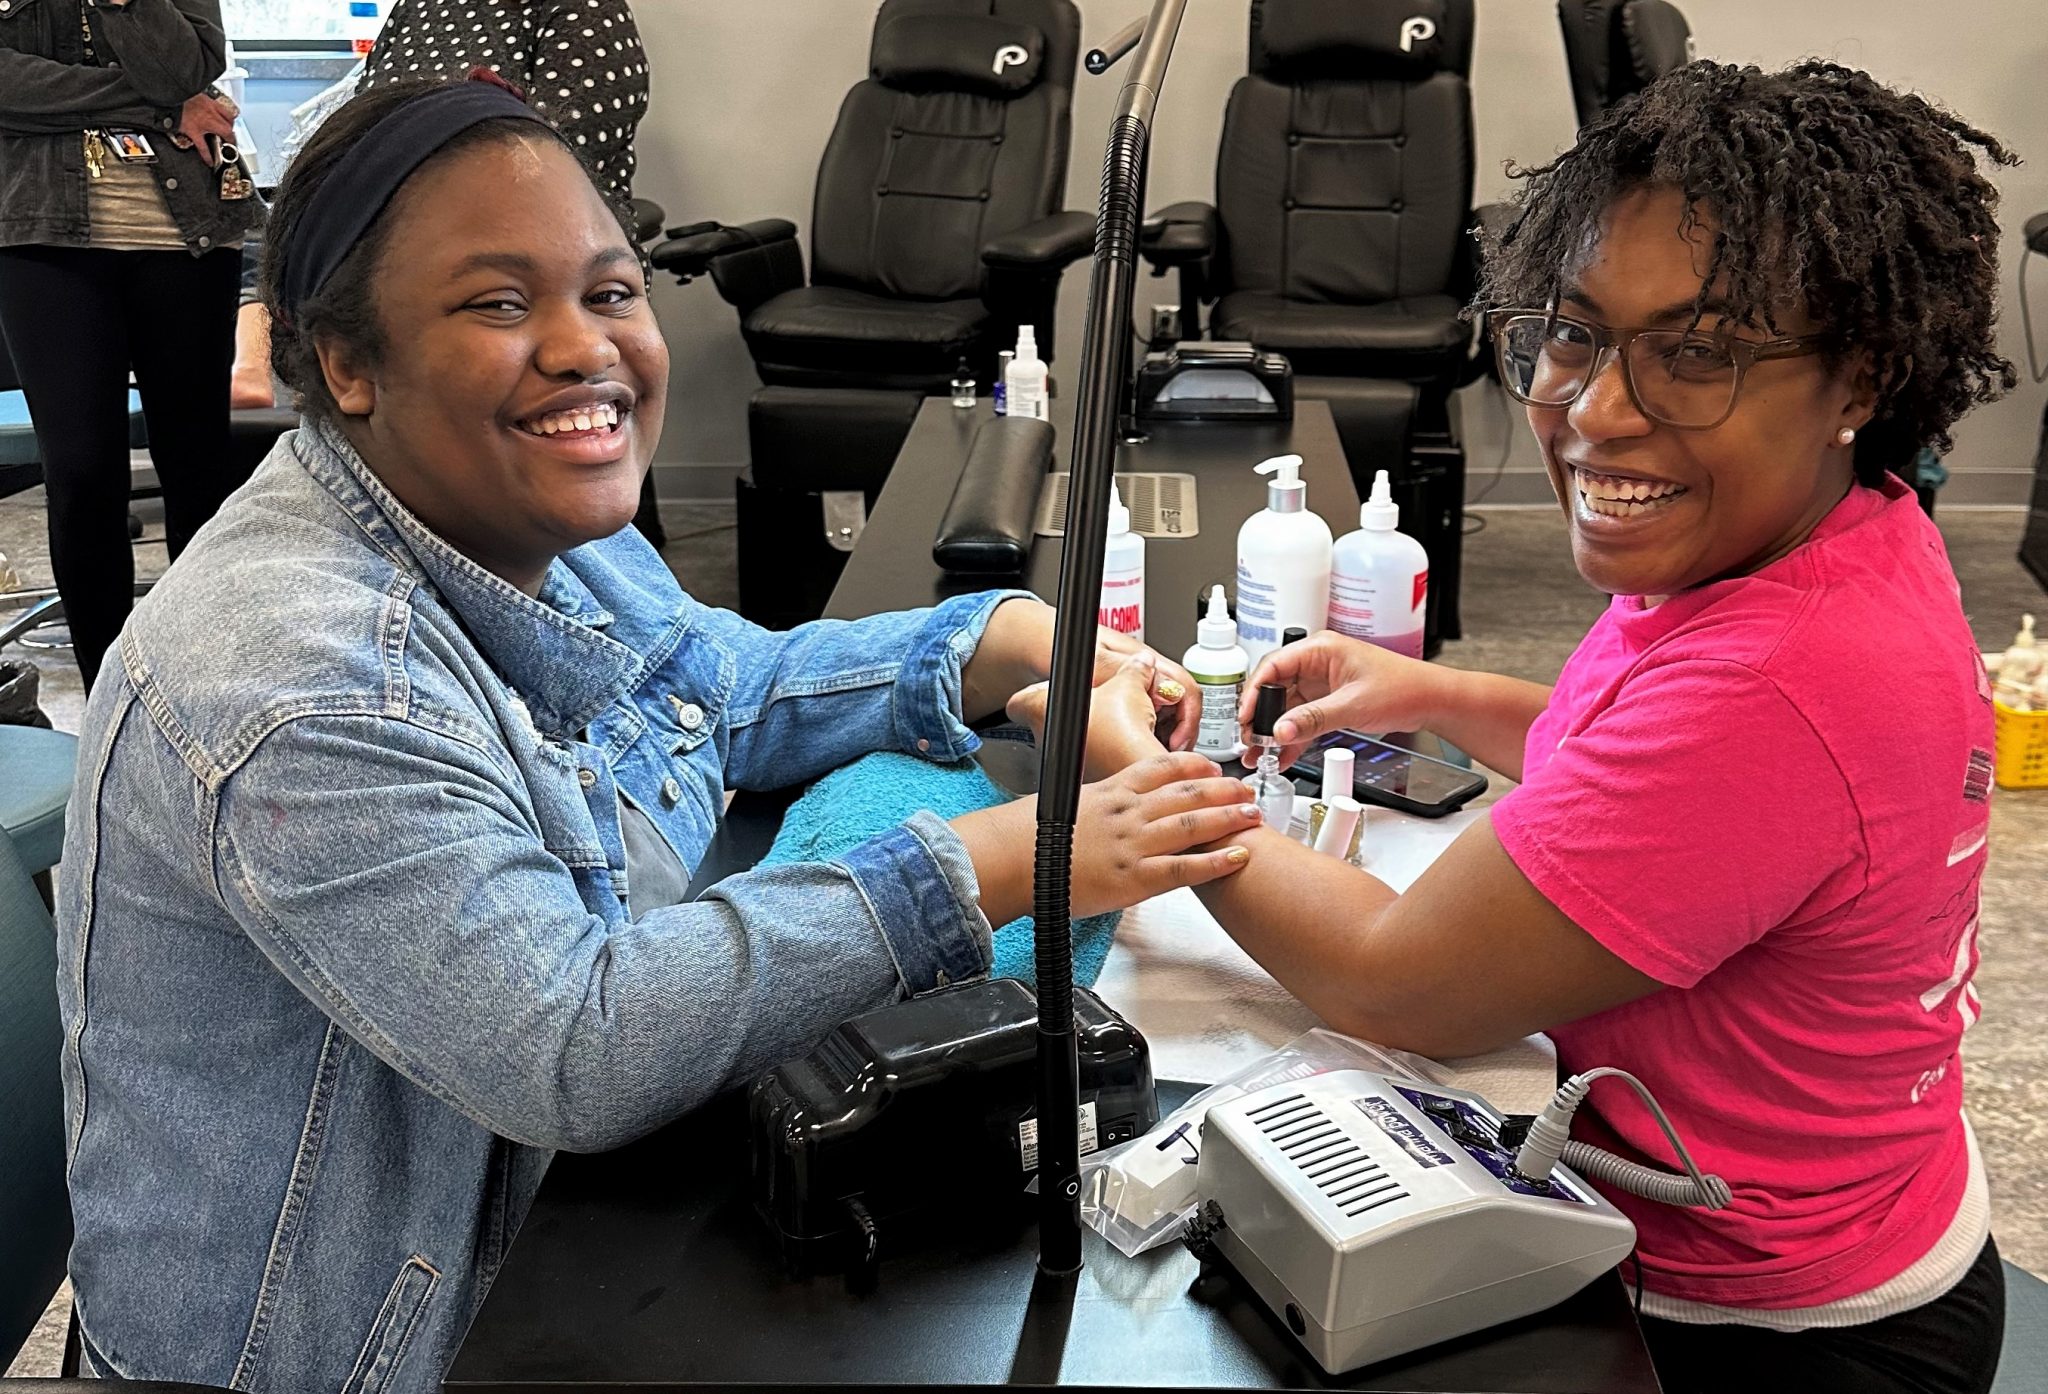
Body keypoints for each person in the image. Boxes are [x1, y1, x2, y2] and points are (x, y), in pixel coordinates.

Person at [54, 73, 1261, 1393]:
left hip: (528, 1229)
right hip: (349, 1351)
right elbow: (577, 1041)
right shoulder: (299, 679)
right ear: (347, 361)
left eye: (612, 291)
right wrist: (1019, 855)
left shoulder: (511, 515)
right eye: (499, 303)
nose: (588, 349)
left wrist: (1010, 637)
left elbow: (721, 686)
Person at [1086, 62, 2011, 1394]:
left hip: (1771, 1329)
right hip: (1873, 1201)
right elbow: (1659, 770)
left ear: (1856, 377)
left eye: (1695, 351)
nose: (1596, 408)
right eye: (1573, 333)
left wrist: (1139, 765)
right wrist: (1437, 694)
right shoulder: (1827, 536)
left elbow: (1392, 979)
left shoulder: (1783, 680)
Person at [0, 0, 263, 686]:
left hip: (190, 233)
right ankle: (112, 699)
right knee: (83, 475)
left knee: (199, 467)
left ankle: (209, 685)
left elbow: (193, 66)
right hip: (43, 235)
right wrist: (162, 106)